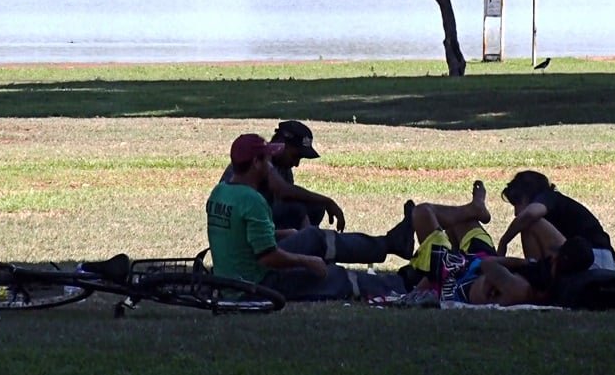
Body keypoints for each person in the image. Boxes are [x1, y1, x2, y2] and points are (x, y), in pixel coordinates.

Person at [207, 133, 412, 301]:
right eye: (267, 160)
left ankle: (390, 244)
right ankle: (406, 284)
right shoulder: (252, 200)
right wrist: (307, 262)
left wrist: (278, 234)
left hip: (236, 275)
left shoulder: (220, 192)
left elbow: (237, 237)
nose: (271, 165)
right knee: (336, 277)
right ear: (256, 163)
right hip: (257, 284)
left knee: (313, 237)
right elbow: (269, 258)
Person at [400, 185, 594, 307]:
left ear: (559, 258)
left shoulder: (523, 289)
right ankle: (475, 210)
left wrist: (522, 263)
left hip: (453, 275)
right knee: (463, 223)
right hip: (470, 263)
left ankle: (472, 210)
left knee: (422, 212)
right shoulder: (540, 277)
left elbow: (489, 265)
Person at [220, 120, 345, 235]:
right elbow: (282, 191)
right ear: (282, 144)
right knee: (296, 209)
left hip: (257, 215)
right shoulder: (261, 161)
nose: (296, 164)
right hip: (240, 221)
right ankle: (303, 246)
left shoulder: (283, 168)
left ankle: (301, 244)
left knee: (315, 207)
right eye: (295, 156)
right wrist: (326, 200)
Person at [496, 170, 615, 270]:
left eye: (517, 203)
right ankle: (538, 278)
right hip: (594, 260)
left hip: (595, 259)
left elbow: (531, 214)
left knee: (530, 223)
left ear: (528, 195)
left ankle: (537, 280)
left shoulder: (549, 197)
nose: (516, 212)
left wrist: (504, 241)